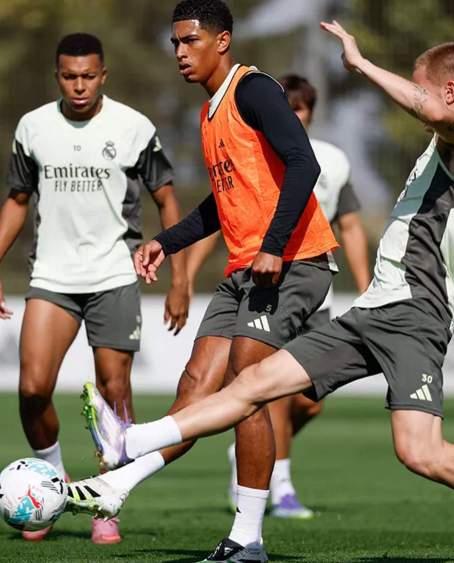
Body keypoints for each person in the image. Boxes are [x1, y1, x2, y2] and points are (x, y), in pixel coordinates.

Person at [69, 20, 454, 563]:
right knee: (255, 383)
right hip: (374, 308)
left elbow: (441, 117)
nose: (416, 104)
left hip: (417, 313)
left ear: (447, 92)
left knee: (420, 453)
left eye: (421, 89)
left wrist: (363, 65)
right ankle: (131, 444)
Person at [74, 1, 338, 560]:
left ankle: (247, 537)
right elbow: (222, 205)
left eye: (189, 41)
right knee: (195, 388)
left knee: (246, 380)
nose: (179, 52)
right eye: (174, 43)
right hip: (245, 271)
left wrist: (272, 247)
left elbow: (304, 164)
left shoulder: (254, 89)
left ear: (222, 40)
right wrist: (163, 243)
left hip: (293, 266)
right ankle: (117, 484)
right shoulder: (209, 113)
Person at [0, 32, 189, 544]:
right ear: (58, 76)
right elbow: (16, 198)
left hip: (114, 275)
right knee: (32, 390)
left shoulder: (134, 127)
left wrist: (180, 279)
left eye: (88, 76)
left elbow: (167, 200)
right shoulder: (33, 127)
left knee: (114, 395)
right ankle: (54, 485)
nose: (79, 86)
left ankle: (106, 501)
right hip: (52, 276)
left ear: (104, 75)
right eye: (70, 76)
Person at [223, 73, 371, 520]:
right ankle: (279, 488)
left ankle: (246, 451)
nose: (294, 115)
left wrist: (365, 288)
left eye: (302, 108)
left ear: (311, 111)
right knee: (278, 397)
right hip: (274, 289)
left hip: (316, 292)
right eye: (288, 107)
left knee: (312, 401)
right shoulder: (256, 156)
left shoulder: (332, 161)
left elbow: (349, 225)